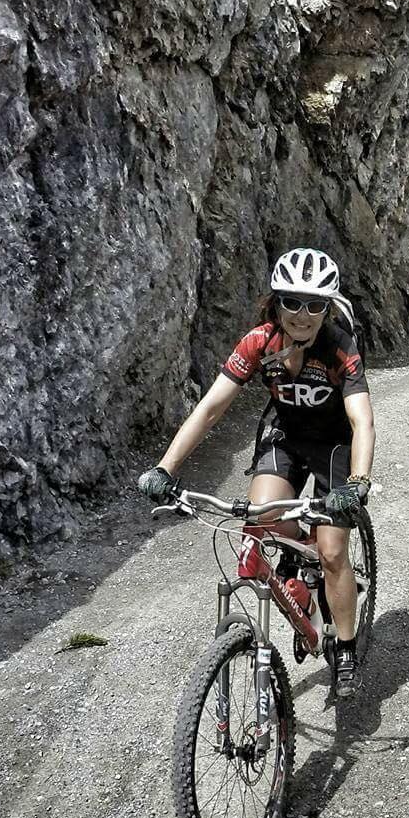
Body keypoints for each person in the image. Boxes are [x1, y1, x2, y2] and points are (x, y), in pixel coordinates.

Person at [139, 248, 376, 697]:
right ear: (276, 301)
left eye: (315, 305)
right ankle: (295, 559)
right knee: (261, 516)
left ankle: (344, 645)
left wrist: (358, 483)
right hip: (284, 432)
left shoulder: (340, 347)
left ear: (328, 309)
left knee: (330, 550)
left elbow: (362, 420)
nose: (302, 315)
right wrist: (165, 468)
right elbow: (211, 408)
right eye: (292, 302)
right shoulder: (259, 343)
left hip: (333, 443)